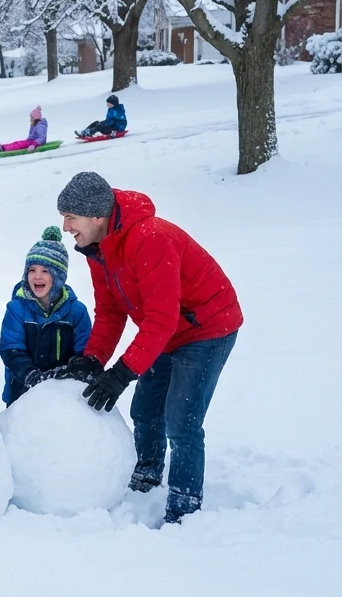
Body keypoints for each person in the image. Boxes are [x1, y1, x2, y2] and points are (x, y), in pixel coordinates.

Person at [55, 172, 243, 524]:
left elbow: (160, 318)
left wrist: (122, 373)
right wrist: (93, 360)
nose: (65, 227)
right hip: (168, 330)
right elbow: (111, 311)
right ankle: (146, 474)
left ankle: (185, 507)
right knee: (145, 410)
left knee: (182, 421)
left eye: (70, 217)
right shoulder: (98, 250)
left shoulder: (149, 239)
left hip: (207, 327)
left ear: (96, 216)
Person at [0, 226, 92, 404]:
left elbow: (84, 352)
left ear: (58, 276)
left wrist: (69, 372)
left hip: (64, 397)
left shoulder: (76, 312)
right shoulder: (17, 309)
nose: (37, 277)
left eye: (45, 271)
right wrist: (32, 377)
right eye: (32, 270)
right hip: (22, 394)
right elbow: (11, 349)